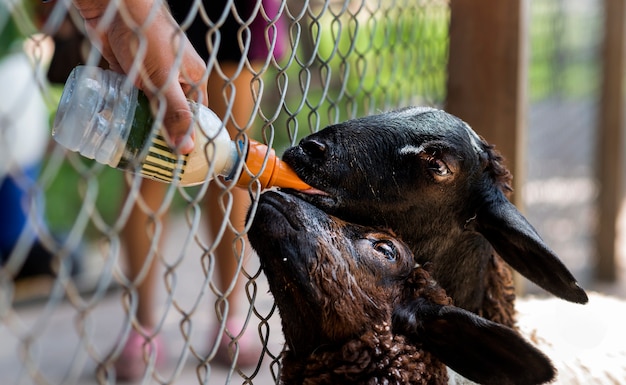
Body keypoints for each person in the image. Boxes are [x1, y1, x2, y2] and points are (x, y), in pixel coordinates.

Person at [72, 0, 285, 380]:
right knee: (142, 152)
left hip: (236, 9)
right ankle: (144, 325)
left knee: (232, 155)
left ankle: (231, 316)